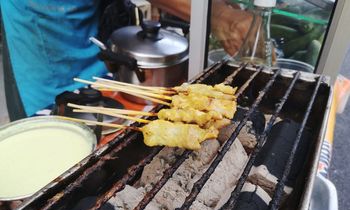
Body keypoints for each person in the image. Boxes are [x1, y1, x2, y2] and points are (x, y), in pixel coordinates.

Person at [1, 0, 252, 121]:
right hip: (45, 23)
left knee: (102, 101)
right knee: (60, 119)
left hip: (83, 16)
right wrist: (221, 17)